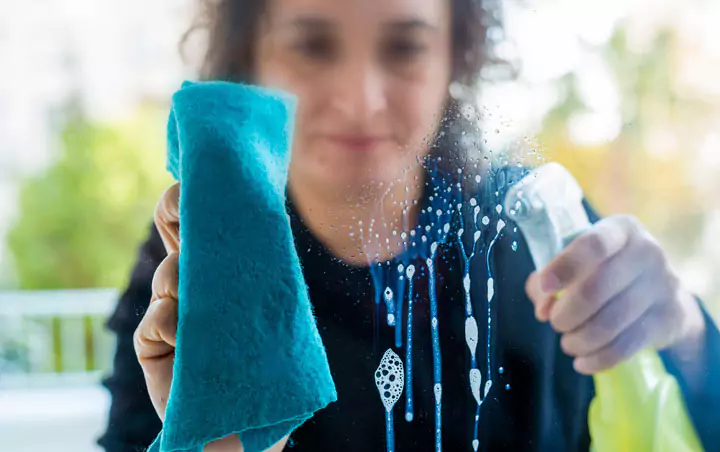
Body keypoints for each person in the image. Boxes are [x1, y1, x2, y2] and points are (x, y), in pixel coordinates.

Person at [98, 0, 720, 451]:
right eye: (314, 45)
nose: (362, 97)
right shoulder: (191, 274)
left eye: (404, 46)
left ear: (456, 51)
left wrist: (684, 338)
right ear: (251, 60)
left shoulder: (536, 229)